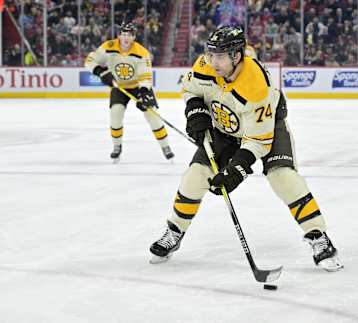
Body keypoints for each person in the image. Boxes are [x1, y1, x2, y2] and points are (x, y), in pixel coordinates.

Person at [149, 26, 343, 272]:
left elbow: (258, 141)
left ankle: (318, 237)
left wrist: (236, 170)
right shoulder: (205, 65)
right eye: (210, 54)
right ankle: (174, 231)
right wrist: (195, 111)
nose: (212, 61)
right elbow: (190, 89)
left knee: (282, 177)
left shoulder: (257, 86)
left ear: (236, 56)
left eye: (219, 56)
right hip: (224, 128)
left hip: (266, 129)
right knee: (196, 175)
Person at [84, 22, 174, 162]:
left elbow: (146, 76)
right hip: (119, 86)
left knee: (152, 114)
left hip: (138, 86)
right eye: (123, 34)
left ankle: (165, 146)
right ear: (119, 35)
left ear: (134, 37)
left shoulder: (141, 52)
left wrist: (144, 93)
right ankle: (117, 146)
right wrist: (100, 72)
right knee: (116, 113)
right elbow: (90, 60)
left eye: (129, 35)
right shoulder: (108, 47)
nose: (126, 38)